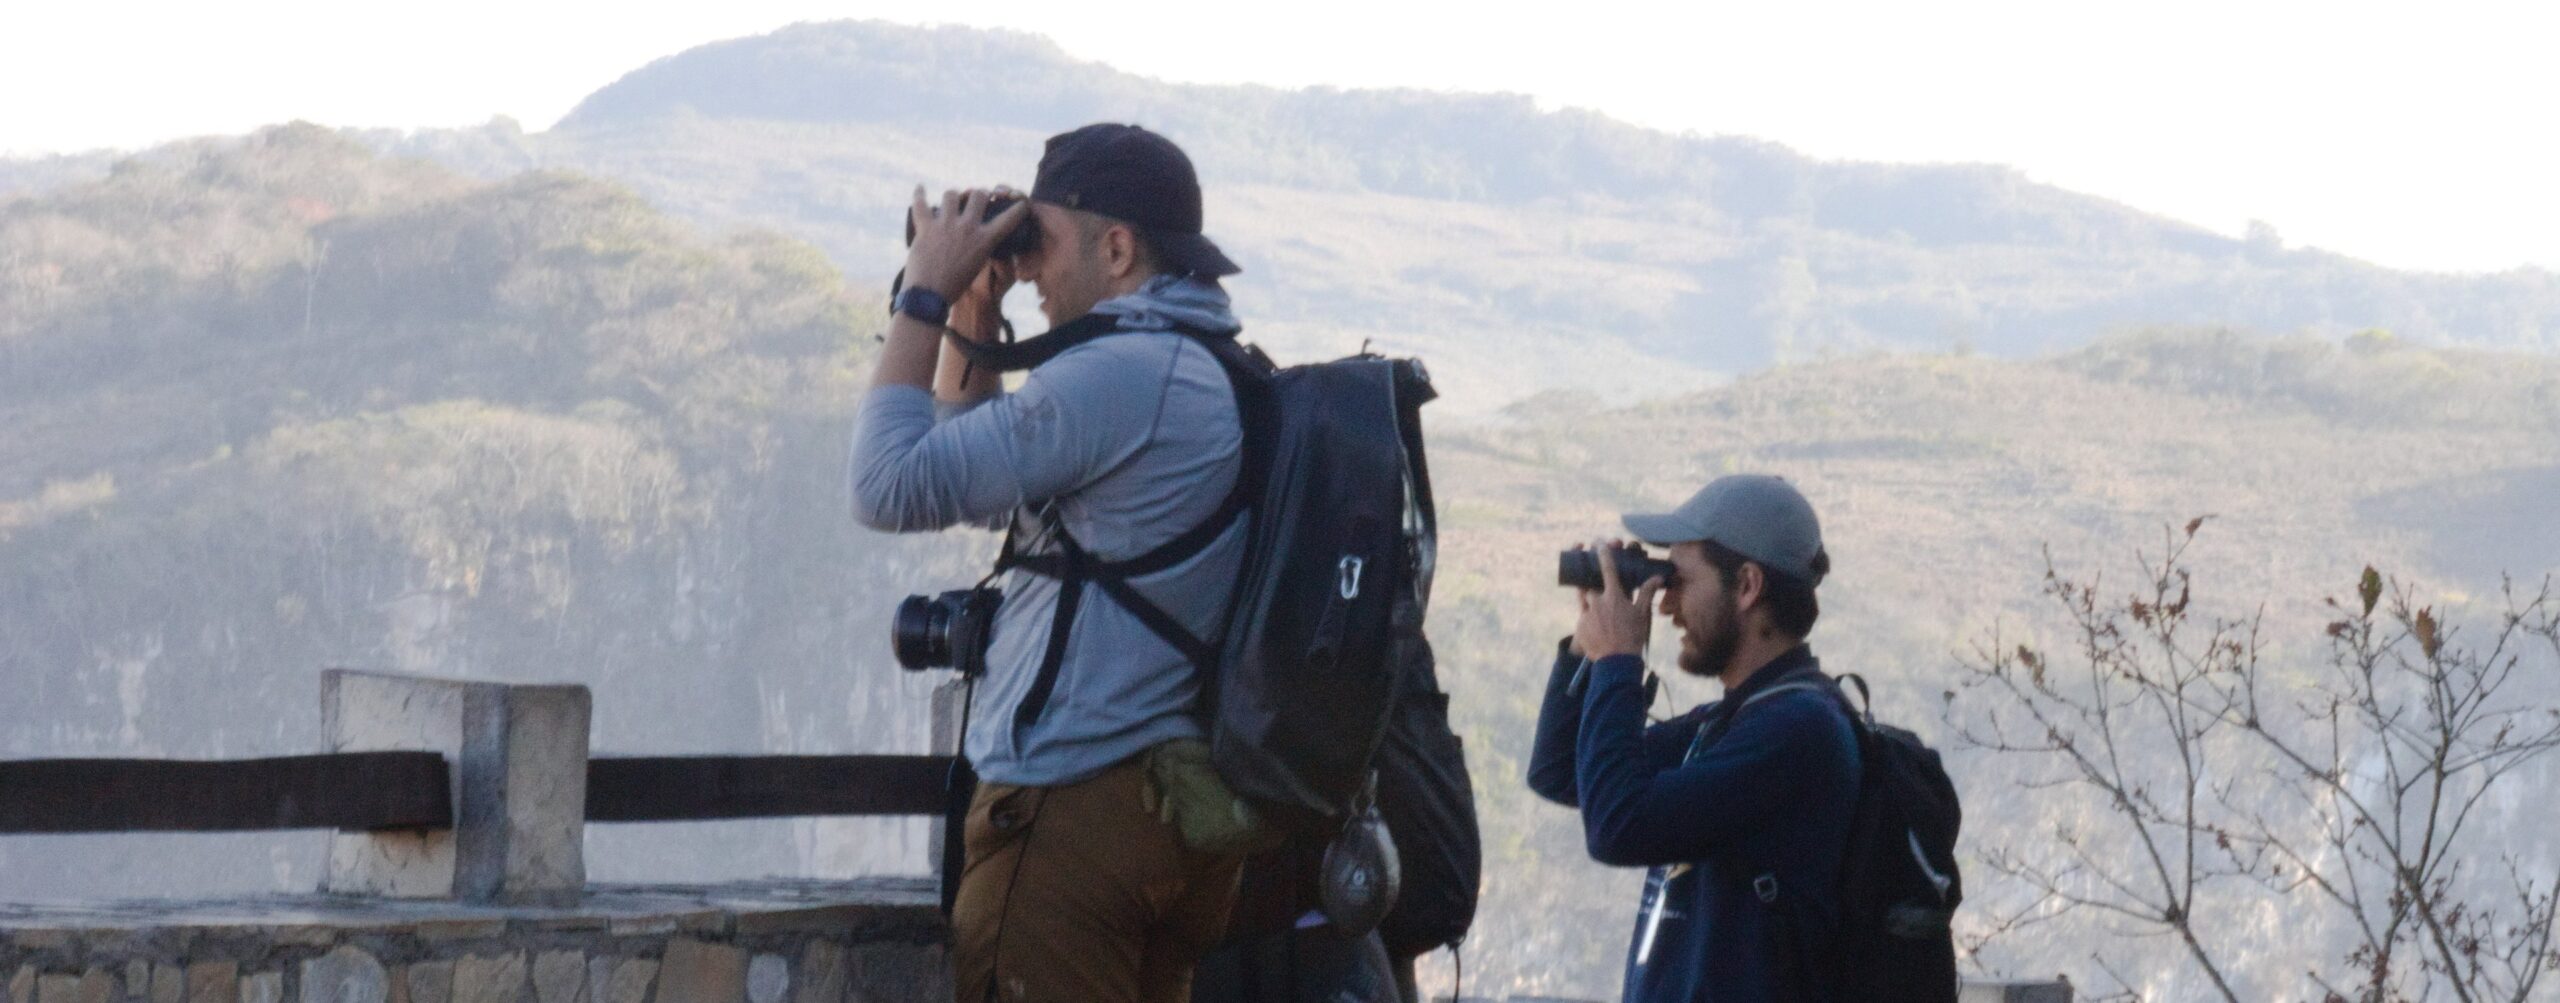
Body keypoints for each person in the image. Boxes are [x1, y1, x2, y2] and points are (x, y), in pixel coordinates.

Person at [849, 123, 1253, 1003]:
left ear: (1117, 248)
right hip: (1164, 813)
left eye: (1044, 239)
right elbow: (987, 494)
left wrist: (921, 293)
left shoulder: (1124, 376)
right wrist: (973, 311)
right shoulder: (1197, 363)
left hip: (1071, 813)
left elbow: (886, 486)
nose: (1029, 267)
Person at [1526, 474, 1860, 1003]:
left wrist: (1619, 661)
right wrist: (1586, 650)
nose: (1663, 605)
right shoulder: (1732, 720)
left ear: (1747, 586)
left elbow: (1617, 826)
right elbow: (1561, 773)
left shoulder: (1799, 730)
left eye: (1679, 580)